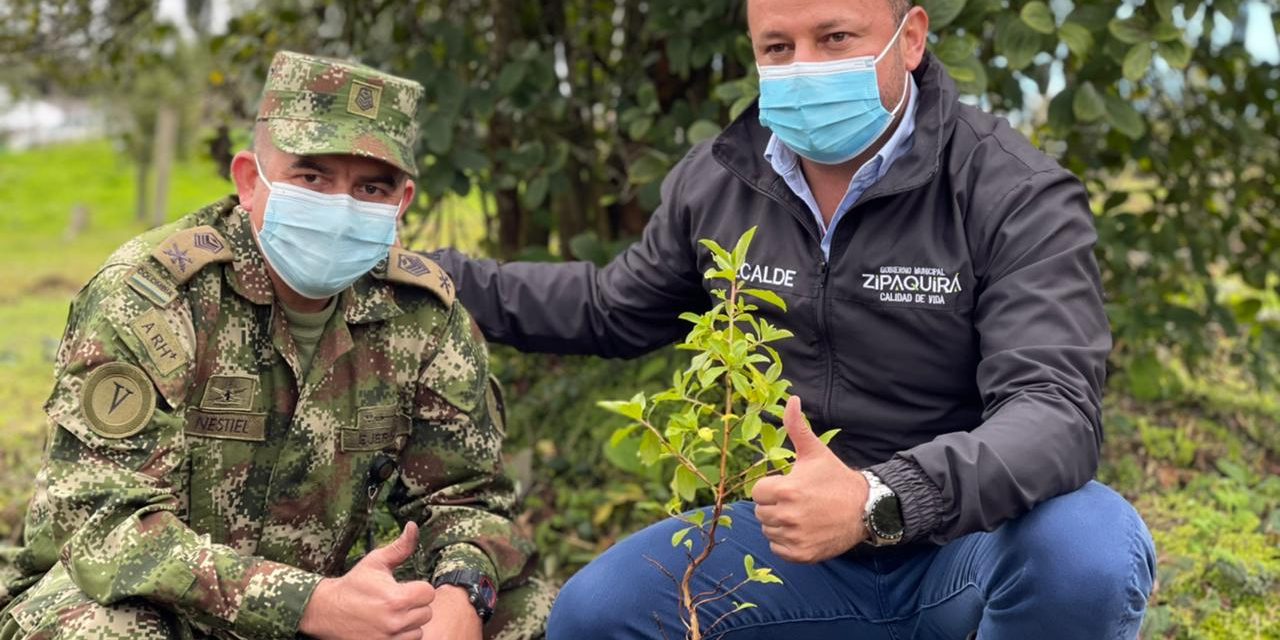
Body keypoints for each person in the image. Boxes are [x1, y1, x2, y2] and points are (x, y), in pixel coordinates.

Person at [428, 0, 1157, 637]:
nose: (803, 67)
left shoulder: (1010, 189)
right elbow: (609, 309)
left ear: (909, 39)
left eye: (835, 38)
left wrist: (881, 497)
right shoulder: (721, 182)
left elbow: (1054, 412)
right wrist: (434, 276)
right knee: (595, 613)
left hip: (970, 544)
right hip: (796, 547)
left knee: (1088, 548)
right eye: (778, 47)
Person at [0, 51, 551, 640]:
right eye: (312, 177)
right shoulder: (153, 298)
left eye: (371, 187)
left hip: (346, 603)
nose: (341, 208)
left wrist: (460, 597)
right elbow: (106, 521)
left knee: (531, 613)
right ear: (248, 180)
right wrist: (310, 604)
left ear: (402, 203)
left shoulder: (424, 314)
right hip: (166, 603)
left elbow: (465, 496)